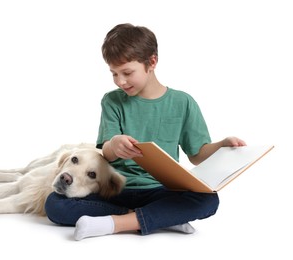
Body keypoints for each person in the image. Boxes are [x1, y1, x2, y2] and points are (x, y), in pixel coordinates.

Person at [44, 23, 246, 241]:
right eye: (114, 74)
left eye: (127, 72)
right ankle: (160, 218)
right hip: (116, 191)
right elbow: (107, 153)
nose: (120, 81)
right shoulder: (112, 101)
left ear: (152, 62)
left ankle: (115, 223)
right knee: (55, 205)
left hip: (161, 190)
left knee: (208, 200)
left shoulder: (183, 102)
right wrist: (115, 144)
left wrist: (222, 145)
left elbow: (197, 154)